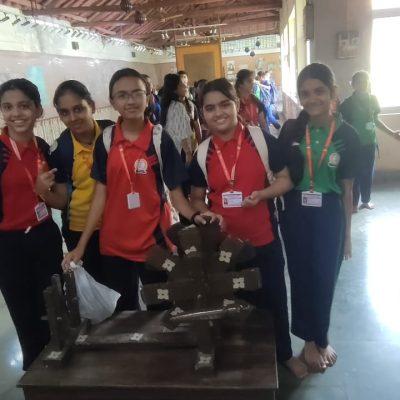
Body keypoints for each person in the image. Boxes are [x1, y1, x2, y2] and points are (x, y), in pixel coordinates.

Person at [63, 68, 218, 311]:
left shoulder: (160, 139)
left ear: (148, 97)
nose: (131, 101)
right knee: (124, 313)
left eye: (137, 93)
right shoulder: (106, 141)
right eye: (122, 95)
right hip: (114, 246)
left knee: (162, 309)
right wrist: (81, 245)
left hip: (155, 245)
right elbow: (100, 195)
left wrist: (195, 215)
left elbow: (176, 196)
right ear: (113, 101)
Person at [189, 78, 308, 379]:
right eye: (210, 108)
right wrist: (207, 213)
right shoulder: (202, 153)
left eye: (224, 104)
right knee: (231, 302)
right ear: (202, 113)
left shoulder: (260, 140)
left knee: (274, 299)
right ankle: (241, 354)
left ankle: (283, 354)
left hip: (263, 239)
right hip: (224, 247)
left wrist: (263, 194)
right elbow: (196, 198)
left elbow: (286, 179)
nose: (218, 113)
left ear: (237, 105)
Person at [278, 63, 360, 372]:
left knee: (325, 277)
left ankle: (321, 337)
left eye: (319, 91)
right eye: (305, 93)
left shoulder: (347, 134)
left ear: (333, 92)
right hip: (295, 212)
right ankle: (309, 341)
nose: (312, 99)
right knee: (301, 276)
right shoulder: (292, 130)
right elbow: (281, 173)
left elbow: (348, 189)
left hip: (329, 213)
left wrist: (347, 236)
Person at [0, 78, 65, 370]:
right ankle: (35, 373)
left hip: (44, 236)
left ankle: (60, 368)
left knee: (52, 308)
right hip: (8, 244)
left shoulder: (43, 148)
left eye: (24, 106)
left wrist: (43, 192)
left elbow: (58, 200)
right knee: (23, 313)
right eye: (7, 107)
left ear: (38, 110)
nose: (16, 114)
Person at [50, 80, 114, 283]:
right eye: (65, 112)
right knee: (97, 290)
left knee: (122, 285)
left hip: (117, 224)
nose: (72, 118)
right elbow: (62, 201)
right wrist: (42, 191)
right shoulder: (60, 150)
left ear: (92, 106)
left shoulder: (112, 133)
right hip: (79, 229)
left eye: (78, 109)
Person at [340, 70, 400, 212]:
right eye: (359, 82)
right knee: (354, 175)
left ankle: (366, 201)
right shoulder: (347, 103)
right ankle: (353, 204)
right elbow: (342, 125)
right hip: (354, 145)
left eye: (365, 81)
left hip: (370, 143)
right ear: (353, 84)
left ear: (369, 83)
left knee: (367, 174)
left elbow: (376, 120)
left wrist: (392, 133)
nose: (362, 84)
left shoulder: (373, 100)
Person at [160, 73, 201, 165]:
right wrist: (188, 153)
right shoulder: (178, 106)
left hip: (171, 148)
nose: (186, 87)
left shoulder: (167, 105)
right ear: (175, 89)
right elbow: (182, 134)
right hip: (181, 149)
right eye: (182, 85)